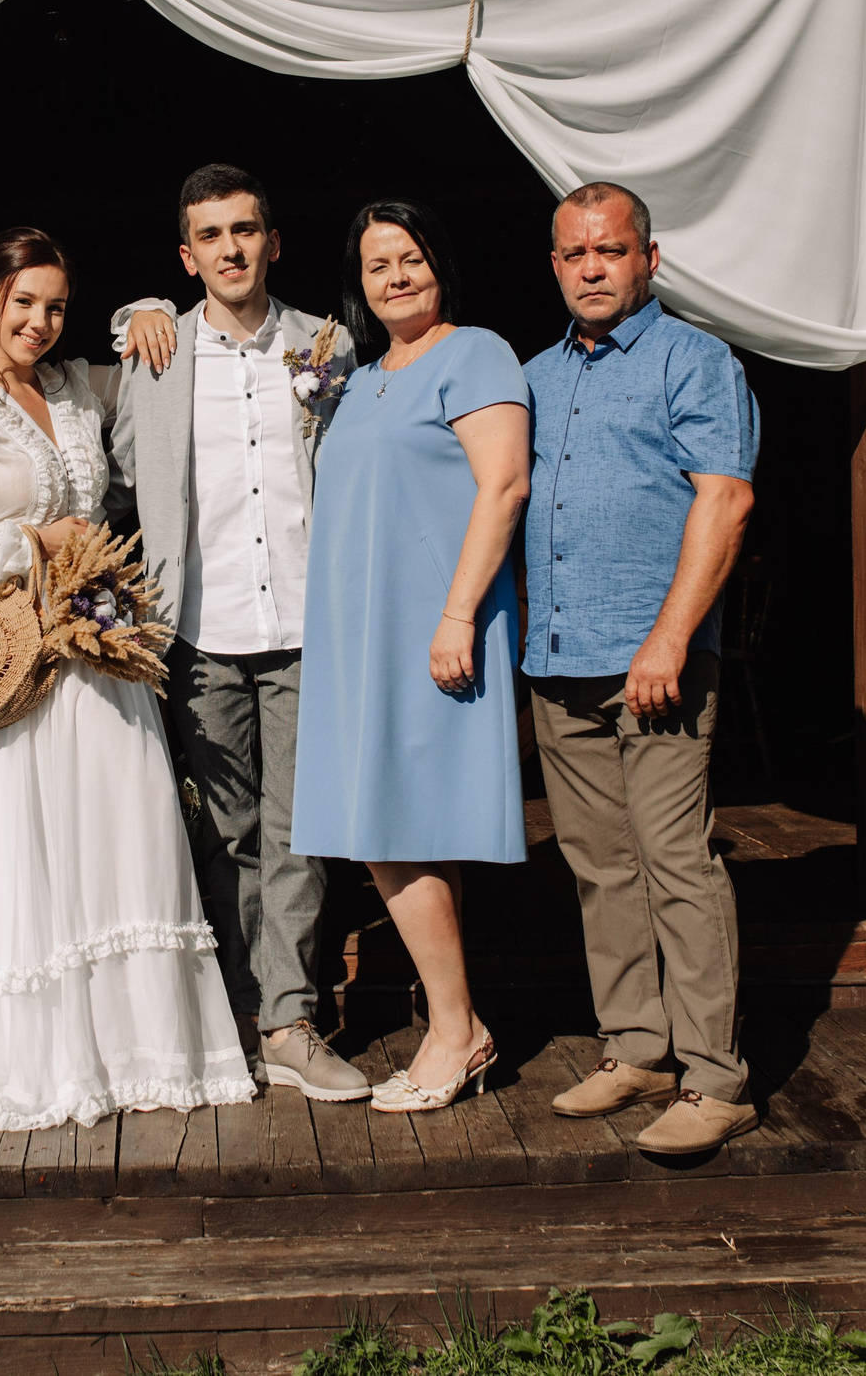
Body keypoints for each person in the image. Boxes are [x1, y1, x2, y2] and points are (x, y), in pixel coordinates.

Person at [0, 229, 256, 1131]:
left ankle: (139, 1043)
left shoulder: (74, 388)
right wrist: (30, 545)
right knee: (38, 844)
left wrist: (143, 311)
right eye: (23, 303)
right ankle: (47, 1052)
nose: (39, 321)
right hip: (22, 659)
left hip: (105, 655)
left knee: (121, 834)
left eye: (54, 306)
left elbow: (140, 359)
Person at [103, 165, 371, 1103]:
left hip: (307, 624)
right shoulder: (157, 350)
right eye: (211, 236)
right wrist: (130, 315)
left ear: (274, 240)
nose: (232, 249)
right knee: (223, 832)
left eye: (246, 230)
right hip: (201, 635)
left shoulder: (327, 346)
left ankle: (293, 1021)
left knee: (301, 831)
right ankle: (241, 1011)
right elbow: (122, 473)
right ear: (187, 254)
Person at [526, 182, 760, 1156]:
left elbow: (725, 500)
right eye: (575, 254)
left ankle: (715, 1078)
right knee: (599, 867)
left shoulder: (693, 362)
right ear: (554, 265)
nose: (592, 268)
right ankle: (636, 1047)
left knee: (675, 863)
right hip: (557, 658)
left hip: (654, 662)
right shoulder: (534, 376)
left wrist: (669, 637)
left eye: (609, 252)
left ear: (647, 261)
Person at [291, 199, 531, 1114]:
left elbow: (501, 484)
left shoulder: (477, 354)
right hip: (362, 633)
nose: (395, 276)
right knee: (397, 825)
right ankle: (454, 1020)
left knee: (402, 827)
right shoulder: (361, 376)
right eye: (377, 263)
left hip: (434, 626)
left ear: (440, 264)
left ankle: (456, 1028)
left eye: (410, 257)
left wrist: (460, 613)